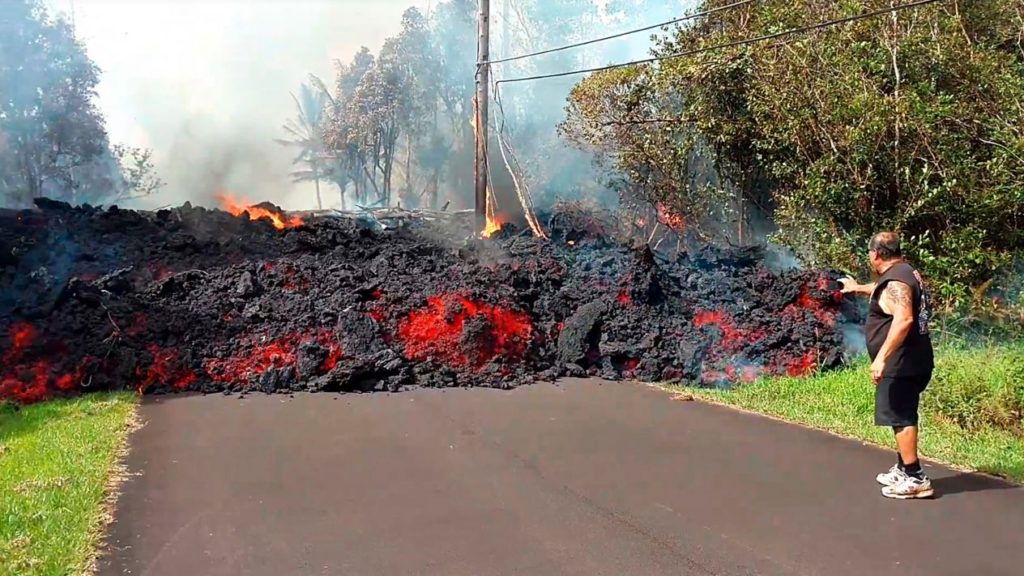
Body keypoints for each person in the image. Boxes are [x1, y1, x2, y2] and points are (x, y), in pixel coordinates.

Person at [839, 231, 935, 499]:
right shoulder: (903, 274)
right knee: (898, 413)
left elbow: (903, 319)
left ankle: (916, 478)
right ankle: (904, 468)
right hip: (912, 359)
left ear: (875, 254)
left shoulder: (897, 280)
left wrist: (881, 358)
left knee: (900, 414)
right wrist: (857, 287)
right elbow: (885, 292)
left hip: (901, 363)